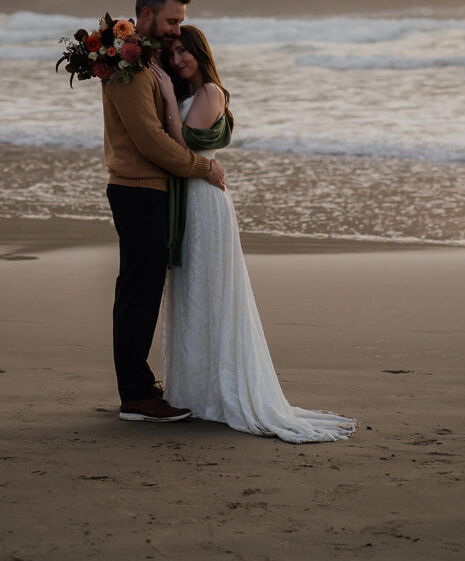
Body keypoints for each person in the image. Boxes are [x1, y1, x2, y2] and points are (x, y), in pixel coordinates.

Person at [150, 25, 357, 443]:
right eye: (172, 54)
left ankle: (221, 395)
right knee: (191, 294)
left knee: (212, 293)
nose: (178, 60)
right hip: (186, 201)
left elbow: (185, 142)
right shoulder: (187, 89)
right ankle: (195, 392)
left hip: (205, 203)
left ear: (200, 53)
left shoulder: (210, 92)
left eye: (184, 52)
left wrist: (170, 98)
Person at [102, 0, 226, 423]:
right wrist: (202, 167)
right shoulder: (126, 64)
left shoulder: (148, 61)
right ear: (147, 14)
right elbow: (151, 141)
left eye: (182, 23)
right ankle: (136, 394)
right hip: (138, 189)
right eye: (172, 20)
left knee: (141, 290)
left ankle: (137, 387)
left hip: (148, 189)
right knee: (139, 292)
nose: (177, 30)